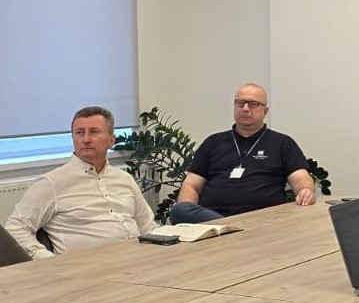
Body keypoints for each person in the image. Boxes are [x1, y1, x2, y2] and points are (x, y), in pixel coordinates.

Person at [4, 106, 158, 259]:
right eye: (79, 133)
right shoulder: (51, 183)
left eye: (94, 132)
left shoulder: (124, 179)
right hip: (87, 267)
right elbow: (15, 228)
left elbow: (147, 227)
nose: (86, 139)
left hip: (137, 260)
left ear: (111, 140)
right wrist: (47, 260)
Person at [170, 83, 315, 224]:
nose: (245, 108)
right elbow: (192, 185)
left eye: (253, 104)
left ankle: (230, 230)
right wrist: (188, 220)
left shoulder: (282, 143)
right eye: (240, 103)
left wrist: (305, 190)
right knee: (179, 210)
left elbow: (300, 178)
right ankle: (229, 229)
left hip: (263, 219)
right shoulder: (213, 142)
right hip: (212, 218)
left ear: (265, 111)